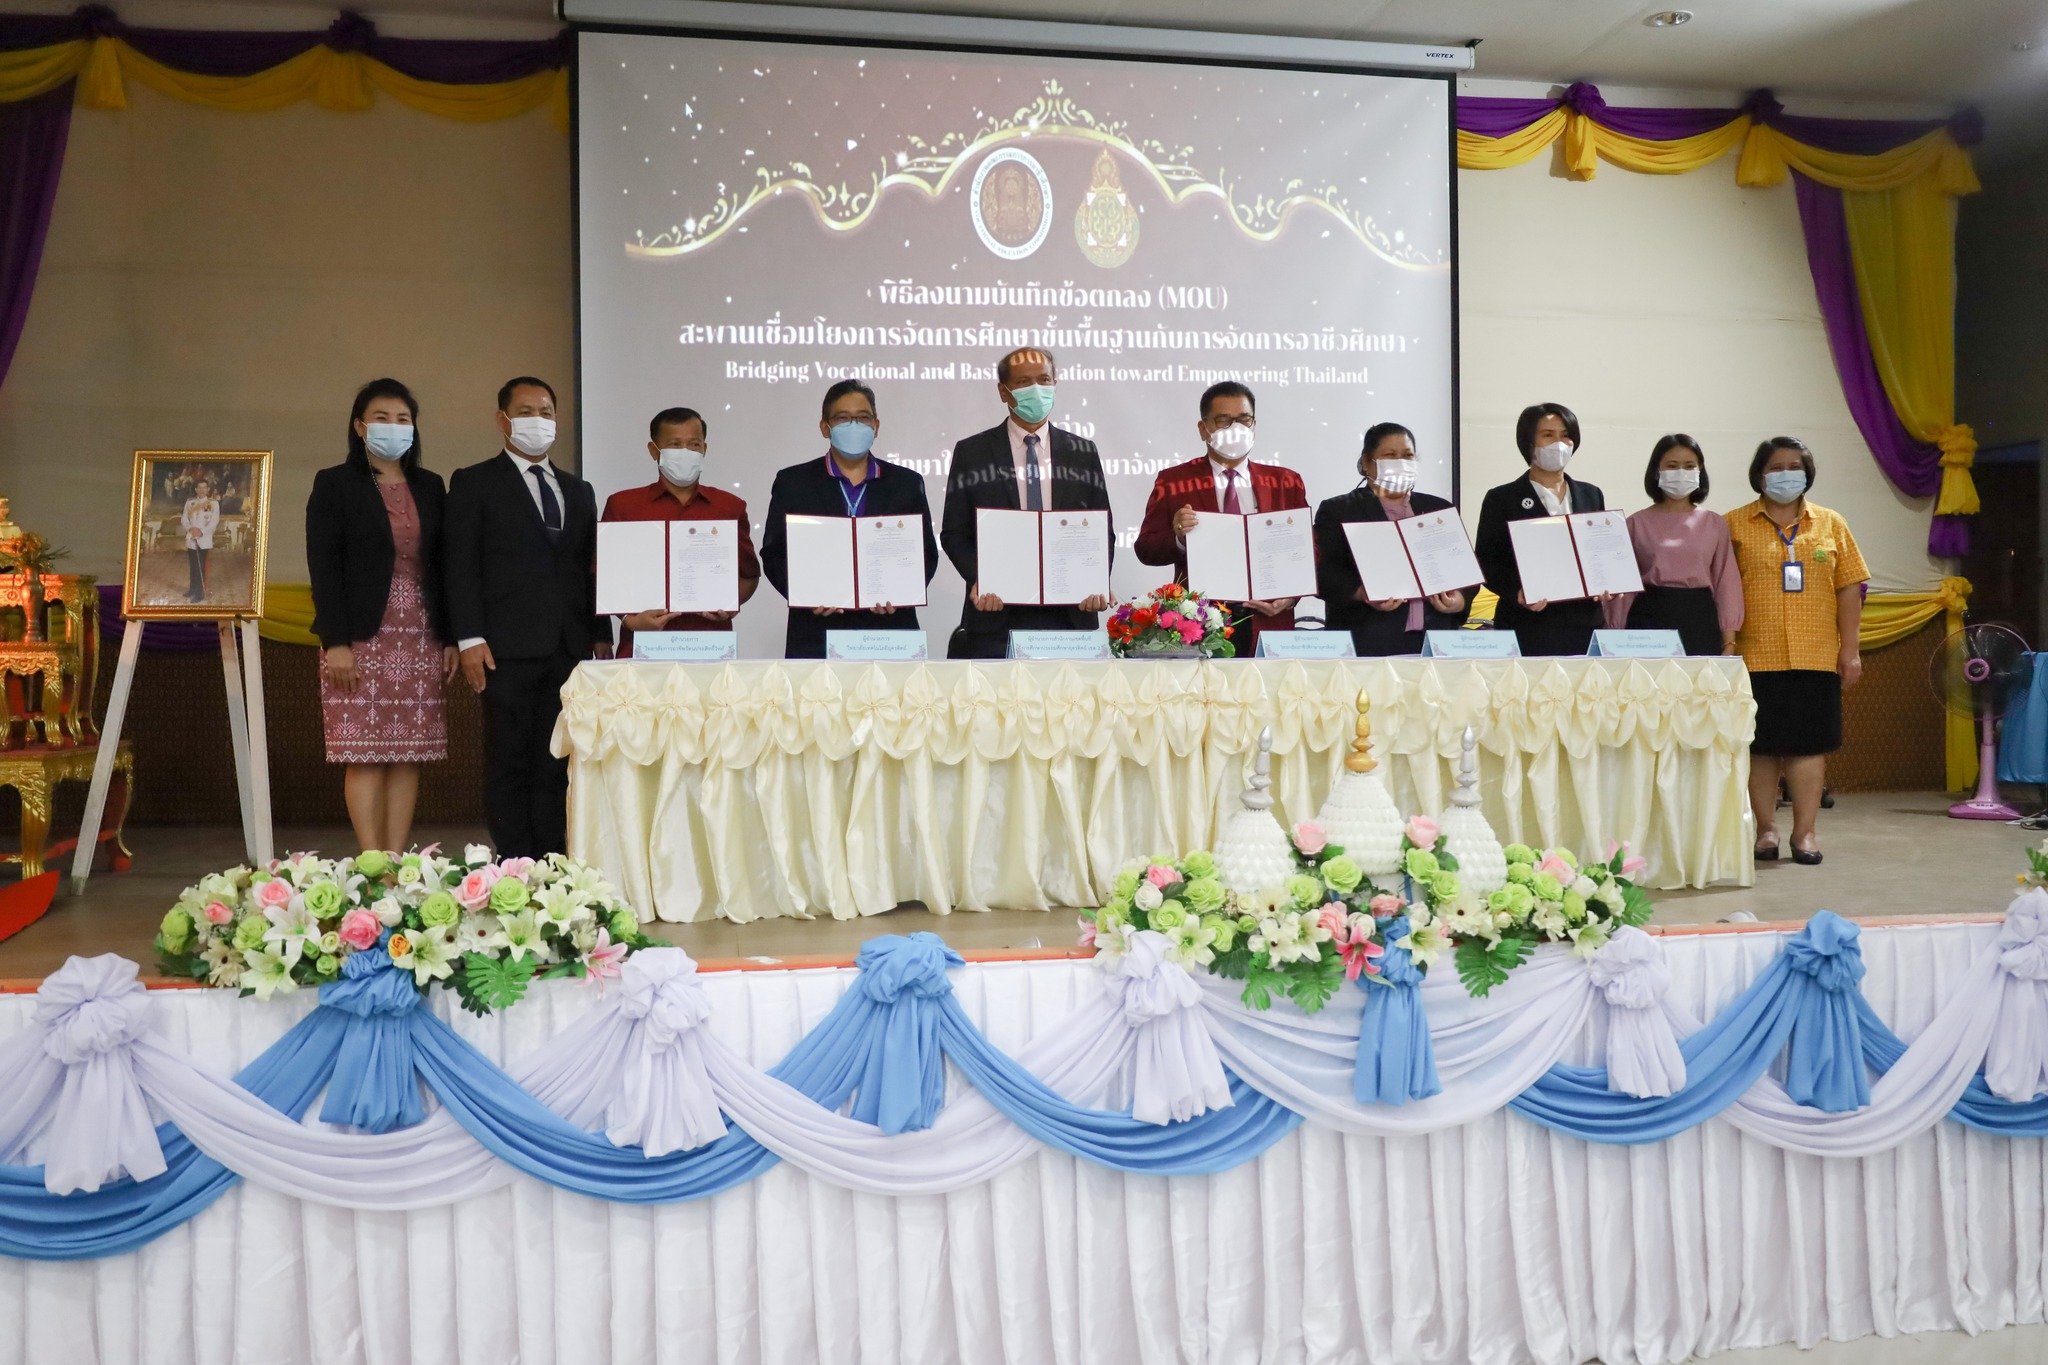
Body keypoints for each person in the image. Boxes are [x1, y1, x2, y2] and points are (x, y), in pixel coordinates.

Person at [443, 376, 601, 859]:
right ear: (503, 420)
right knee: (509, 759)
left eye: (548, 411)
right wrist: (468, 638)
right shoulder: (473, 482)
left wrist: (600, 636)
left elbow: (590, 571)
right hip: (503, 649)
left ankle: (553, 858)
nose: (540, 420)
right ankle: (515, 860)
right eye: (528, 411)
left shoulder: (579, 490)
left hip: (569, 648)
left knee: (556, 761)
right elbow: (460, 564)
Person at [307, 378, 458, 852]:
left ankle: (397, 862)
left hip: (421, 632)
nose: (393, 428)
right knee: (366, 755)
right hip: (359, 634)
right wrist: (336, 642)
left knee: (407, 756)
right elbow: (324, 566)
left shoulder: (431, 486)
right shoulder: (334, 484)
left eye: (403, 419)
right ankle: (372, 861)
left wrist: (451, 637)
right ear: (359, 425)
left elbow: (444, 567)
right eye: (381, 418)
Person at [1728, 436, 1866, 865]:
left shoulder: (1831, 523)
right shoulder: (1731, 525)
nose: (1786, 473)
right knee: (1761, 748)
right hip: (1753, 654)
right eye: (1776, 466)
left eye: (1794, 465)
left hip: (1816, 654)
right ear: (1759, 474)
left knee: (1809, 748)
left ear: (1806, 473)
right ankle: (1765, 830)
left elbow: (1849, 589)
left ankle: (1804, 834)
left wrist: (1851, 649)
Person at [939, 347, 1113, 658]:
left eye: (1044, 380)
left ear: (1056, 383)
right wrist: (981, 578)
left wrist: (1095, 581)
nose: (1037, 389)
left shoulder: (1083, 452)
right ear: (1004, 392)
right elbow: (954, 533)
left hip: (1071, 616)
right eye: (1023, 382)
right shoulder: (972, 452)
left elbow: (1103, 530)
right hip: (995, 616)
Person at [760, 379, 939, 658]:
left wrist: (902, 593)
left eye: (863, 418)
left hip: (890, 630)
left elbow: (926, 552)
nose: (854, 425)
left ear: (876, 426)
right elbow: (773, 553)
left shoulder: (906, 483)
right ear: (825, 427)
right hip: (815, 632)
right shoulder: (793, 482)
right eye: (843, 418)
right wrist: (806, 595)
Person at [1133, 380, 1310, 655]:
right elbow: (1146, 549)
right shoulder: (1174, 481)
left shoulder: (1285, 482)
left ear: (1254, 425)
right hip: (1200, 624)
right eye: (1224, 421)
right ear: (1204, 429)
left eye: (1243, 420)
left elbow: (1310, 550)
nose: (1235, 429)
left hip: (1269, 621)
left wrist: (1290, 597)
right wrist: (1179, 537)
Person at [600, 406, 761, 657]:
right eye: (675, 445)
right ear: (654, 451)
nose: (686, 452)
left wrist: (730, 604)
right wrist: (629, 620)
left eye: (694, 445)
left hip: (710, 645)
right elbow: (606, 574)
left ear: (704, 449)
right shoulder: (623, 505)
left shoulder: (729, 506)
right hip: (643, 646)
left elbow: (749, 575)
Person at [1314, 422, 1469, 655]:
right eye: (1390, 456)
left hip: (1437, 642)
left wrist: (1460, 600)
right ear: (1367, 463)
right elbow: (1324, 572)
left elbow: (1465, 568)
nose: (1401, 463)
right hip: (1369, 641)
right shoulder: (1339, 510)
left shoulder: (1439, 509)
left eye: (1408, 456)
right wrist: (1361, 593)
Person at [1474, 401, 1609, 655]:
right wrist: (1517, 593)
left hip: (1584, 624)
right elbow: (1487, 561)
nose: (1559, 444)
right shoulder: (1501, 498)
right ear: (1528, 443)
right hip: (1527, 625)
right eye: (1548, 435)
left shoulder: (1591, 494)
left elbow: (1599, 553)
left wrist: (1609, 582)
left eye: (1566, 436)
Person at [1604, 434, 1743, 656]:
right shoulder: (1634, 523)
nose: (1681, 472)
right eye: (1671, 465)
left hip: (1699, 620)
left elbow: (1726, 582)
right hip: (1648, 620)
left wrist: (1729, 641)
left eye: (1689, 466)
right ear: (1657, 471)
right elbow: (1624, 588)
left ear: (1700, 471)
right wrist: (1613, 635)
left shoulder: (1714, 523)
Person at [181, 476, 220, 603]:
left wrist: (201, 531)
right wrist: (190, 529)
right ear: (196, 489)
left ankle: (200, 593)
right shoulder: (190, 502)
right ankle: (192, 589)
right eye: (199, 488)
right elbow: (184, 519)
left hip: (204, 540)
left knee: (201, 567)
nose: (202, 490)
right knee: (193, 566)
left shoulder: (213, 504)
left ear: (208, 489)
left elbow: (214, 521)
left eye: (204, 487)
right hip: (191, 539)